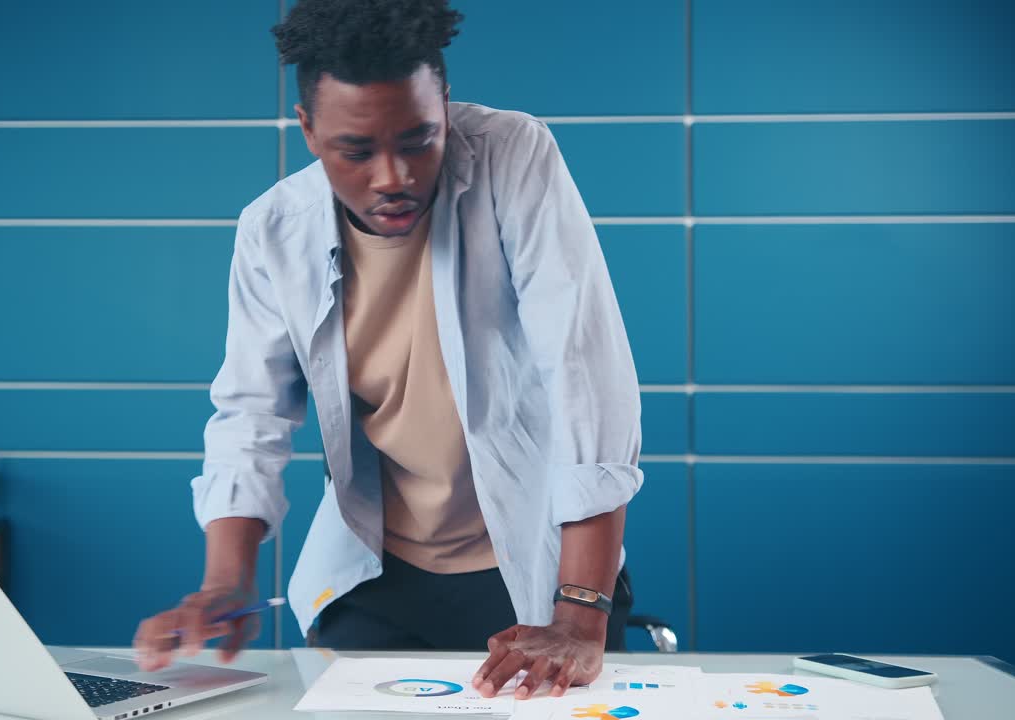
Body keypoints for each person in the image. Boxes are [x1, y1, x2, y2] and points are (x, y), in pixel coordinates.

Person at [134, 0, 643, 700]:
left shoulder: (513, 154)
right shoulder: (272, 231)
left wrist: (581, 612)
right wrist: (224, 584)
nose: (392, 177)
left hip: (536, 565)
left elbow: (586, 374)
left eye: (417, 140)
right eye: (357, 150)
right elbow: (250, 418)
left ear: (446, 108)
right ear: (308, 129)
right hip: (377, 576)